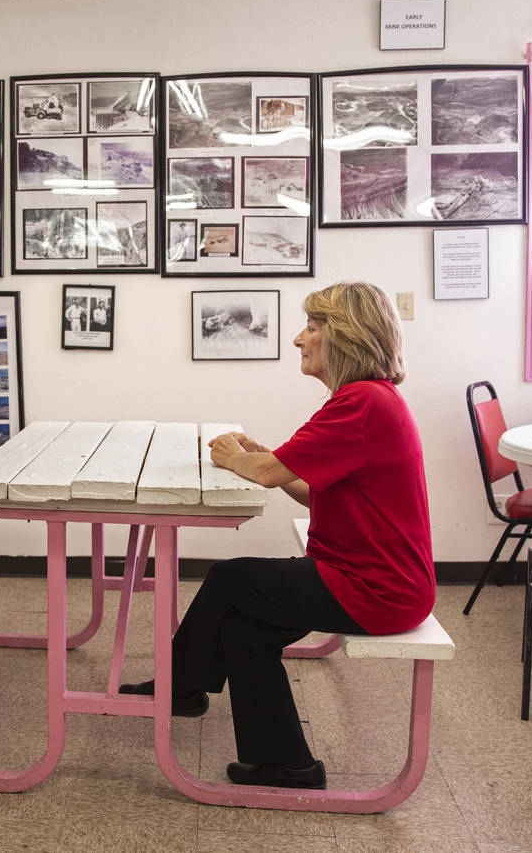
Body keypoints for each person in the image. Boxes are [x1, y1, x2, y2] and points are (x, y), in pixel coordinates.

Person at [120, 281, 434, 791]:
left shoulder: (360, 403)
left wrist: (236, 457)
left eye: (312, 328)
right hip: (377, 580)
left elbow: (266, 474)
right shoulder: (372, 401)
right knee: (245, 632)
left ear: (346, 337)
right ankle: (285, 764)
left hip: (374, 588)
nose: (298, 339)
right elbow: (313, 491)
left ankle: (179, 689)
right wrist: (265, 457)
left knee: (229, 580)